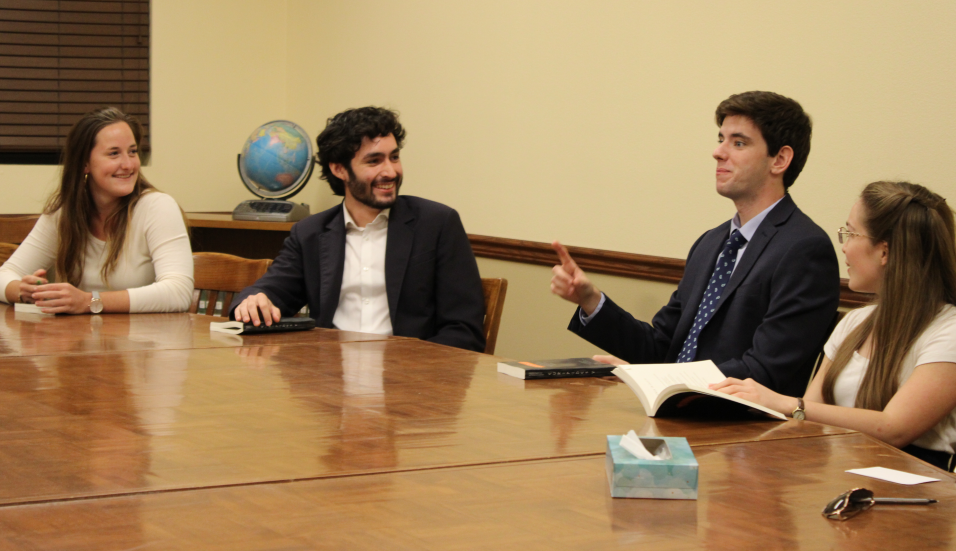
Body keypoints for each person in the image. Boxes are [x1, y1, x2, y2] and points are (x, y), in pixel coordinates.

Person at [551, 91, 840, 396]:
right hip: (678, 414)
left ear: (779, 159)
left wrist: (657, 379)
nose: (718, 152)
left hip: (742, 431)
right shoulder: (711, 243)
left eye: (738, 143)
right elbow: (661, 347)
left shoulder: (805, 250)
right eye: (721, 139)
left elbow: (763, 371)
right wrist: (591, 301)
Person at [712, 181, 956, 471]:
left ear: (884, 252)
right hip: (839, 471)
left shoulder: (947, 331)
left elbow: (894, 428)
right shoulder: (856, 321)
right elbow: (810, 415)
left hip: (915, 488)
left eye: (851, 233)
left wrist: (785, 403)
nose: (844, 246)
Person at [230, 107, 485, 352]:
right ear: (339, 169)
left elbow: (464, 330)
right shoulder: (310, 233)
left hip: (412, 382)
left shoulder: (437, 224)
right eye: (374, 161)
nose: (390, 171)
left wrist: (410, 370)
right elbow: (270, 292)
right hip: (328, 383)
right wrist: (252, 301)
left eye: (394, 157)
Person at [0, 107, 194, 314]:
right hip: (80, 340)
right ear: (85, 163)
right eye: (114, 154)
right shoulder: (64, 213)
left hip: (146, 341)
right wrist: (24, 291)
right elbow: (2, 278)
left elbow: (178, 292)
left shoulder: (157, 207)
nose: (128, 164)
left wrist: (90, 301)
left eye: (132, 152)